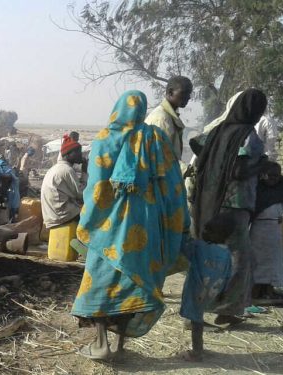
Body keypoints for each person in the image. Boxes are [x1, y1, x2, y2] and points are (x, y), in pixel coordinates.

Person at [71, 90, 189, 360]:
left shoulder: (104, 140)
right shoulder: (156, 139)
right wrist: (180, 223)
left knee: (101, 280)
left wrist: (88, 222)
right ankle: (121, 346)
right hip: (147, 225)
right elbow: (174, 186)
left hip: (110, 227)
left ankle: (101, 345)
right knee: (134, 282)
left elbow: (97, 188)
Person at [190, 88, 270, 325]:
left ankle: (195, 307)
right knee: (239, 260)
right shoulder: (249, 136)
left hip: (208, 202)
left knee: (206, 256)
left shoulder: (217, 131)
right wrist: (263, 167)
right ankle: (226, 311)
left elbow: (197, 144)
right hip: (234, 206)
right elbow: (239, 170)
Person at [180, 214, 234, 362]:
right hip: (212, 292)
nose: (204, 232)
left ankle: (197, 352)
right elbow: (228, 275)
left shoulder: (200, 247)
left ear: (222, 235)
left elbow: (184, 249)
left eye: (209, 230)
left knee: (196, 321)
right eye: (205, 228)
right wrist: (223, 294)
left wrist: (181, 232)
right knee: (198, 316)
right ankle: (199, 348)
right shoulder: (227, 254)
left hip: (197, 289)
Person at [251, 162, 283, 299]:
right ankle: (256, 292)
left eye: (277, 176)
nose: (274, 179)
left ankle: (268, 290)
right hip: (259, 231)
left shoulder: (281, 189)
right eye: (270, 175)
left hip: (275, 230)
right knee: (259, 263)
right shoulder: (257, 190)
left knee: (273, 262)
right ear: (262, 175)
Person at [145, 76, 193, 160]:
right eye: (185, 93)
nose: (189, 97)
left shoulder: (170, 116)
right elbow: (161, 158)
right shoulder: (162, 119)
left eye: (189, 93)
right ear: (170, 92)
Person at [40, 136, 83, 229]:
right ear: (68, 154)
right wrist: (85, 172)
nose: (80, 154)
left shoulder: (55, 168)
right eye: (78, 152)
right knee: (93, 214)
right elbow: (82, 194)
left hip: (51, 215)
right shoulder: (67, 170)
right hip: (62, 215)